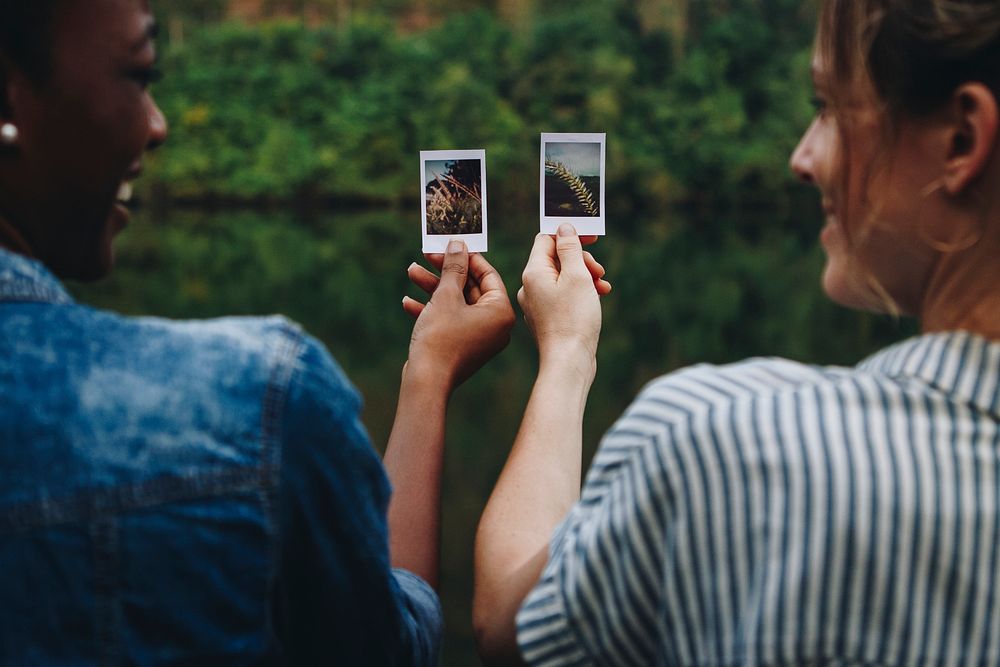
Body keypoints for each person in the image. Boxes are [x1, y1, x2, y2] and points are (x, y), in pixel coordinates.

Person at [474, 0, 1000, 664]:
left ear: (961, 138)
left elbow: (503, 623)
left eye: (831, 107)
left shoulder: (720, 436)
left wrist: (568, 352)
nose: (802, 157)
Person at [0, 0, 517, 664]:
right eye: (139, 74)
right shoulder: (254, 401)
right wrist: (430, 375)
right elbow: (392, 643)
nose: (157, 126)